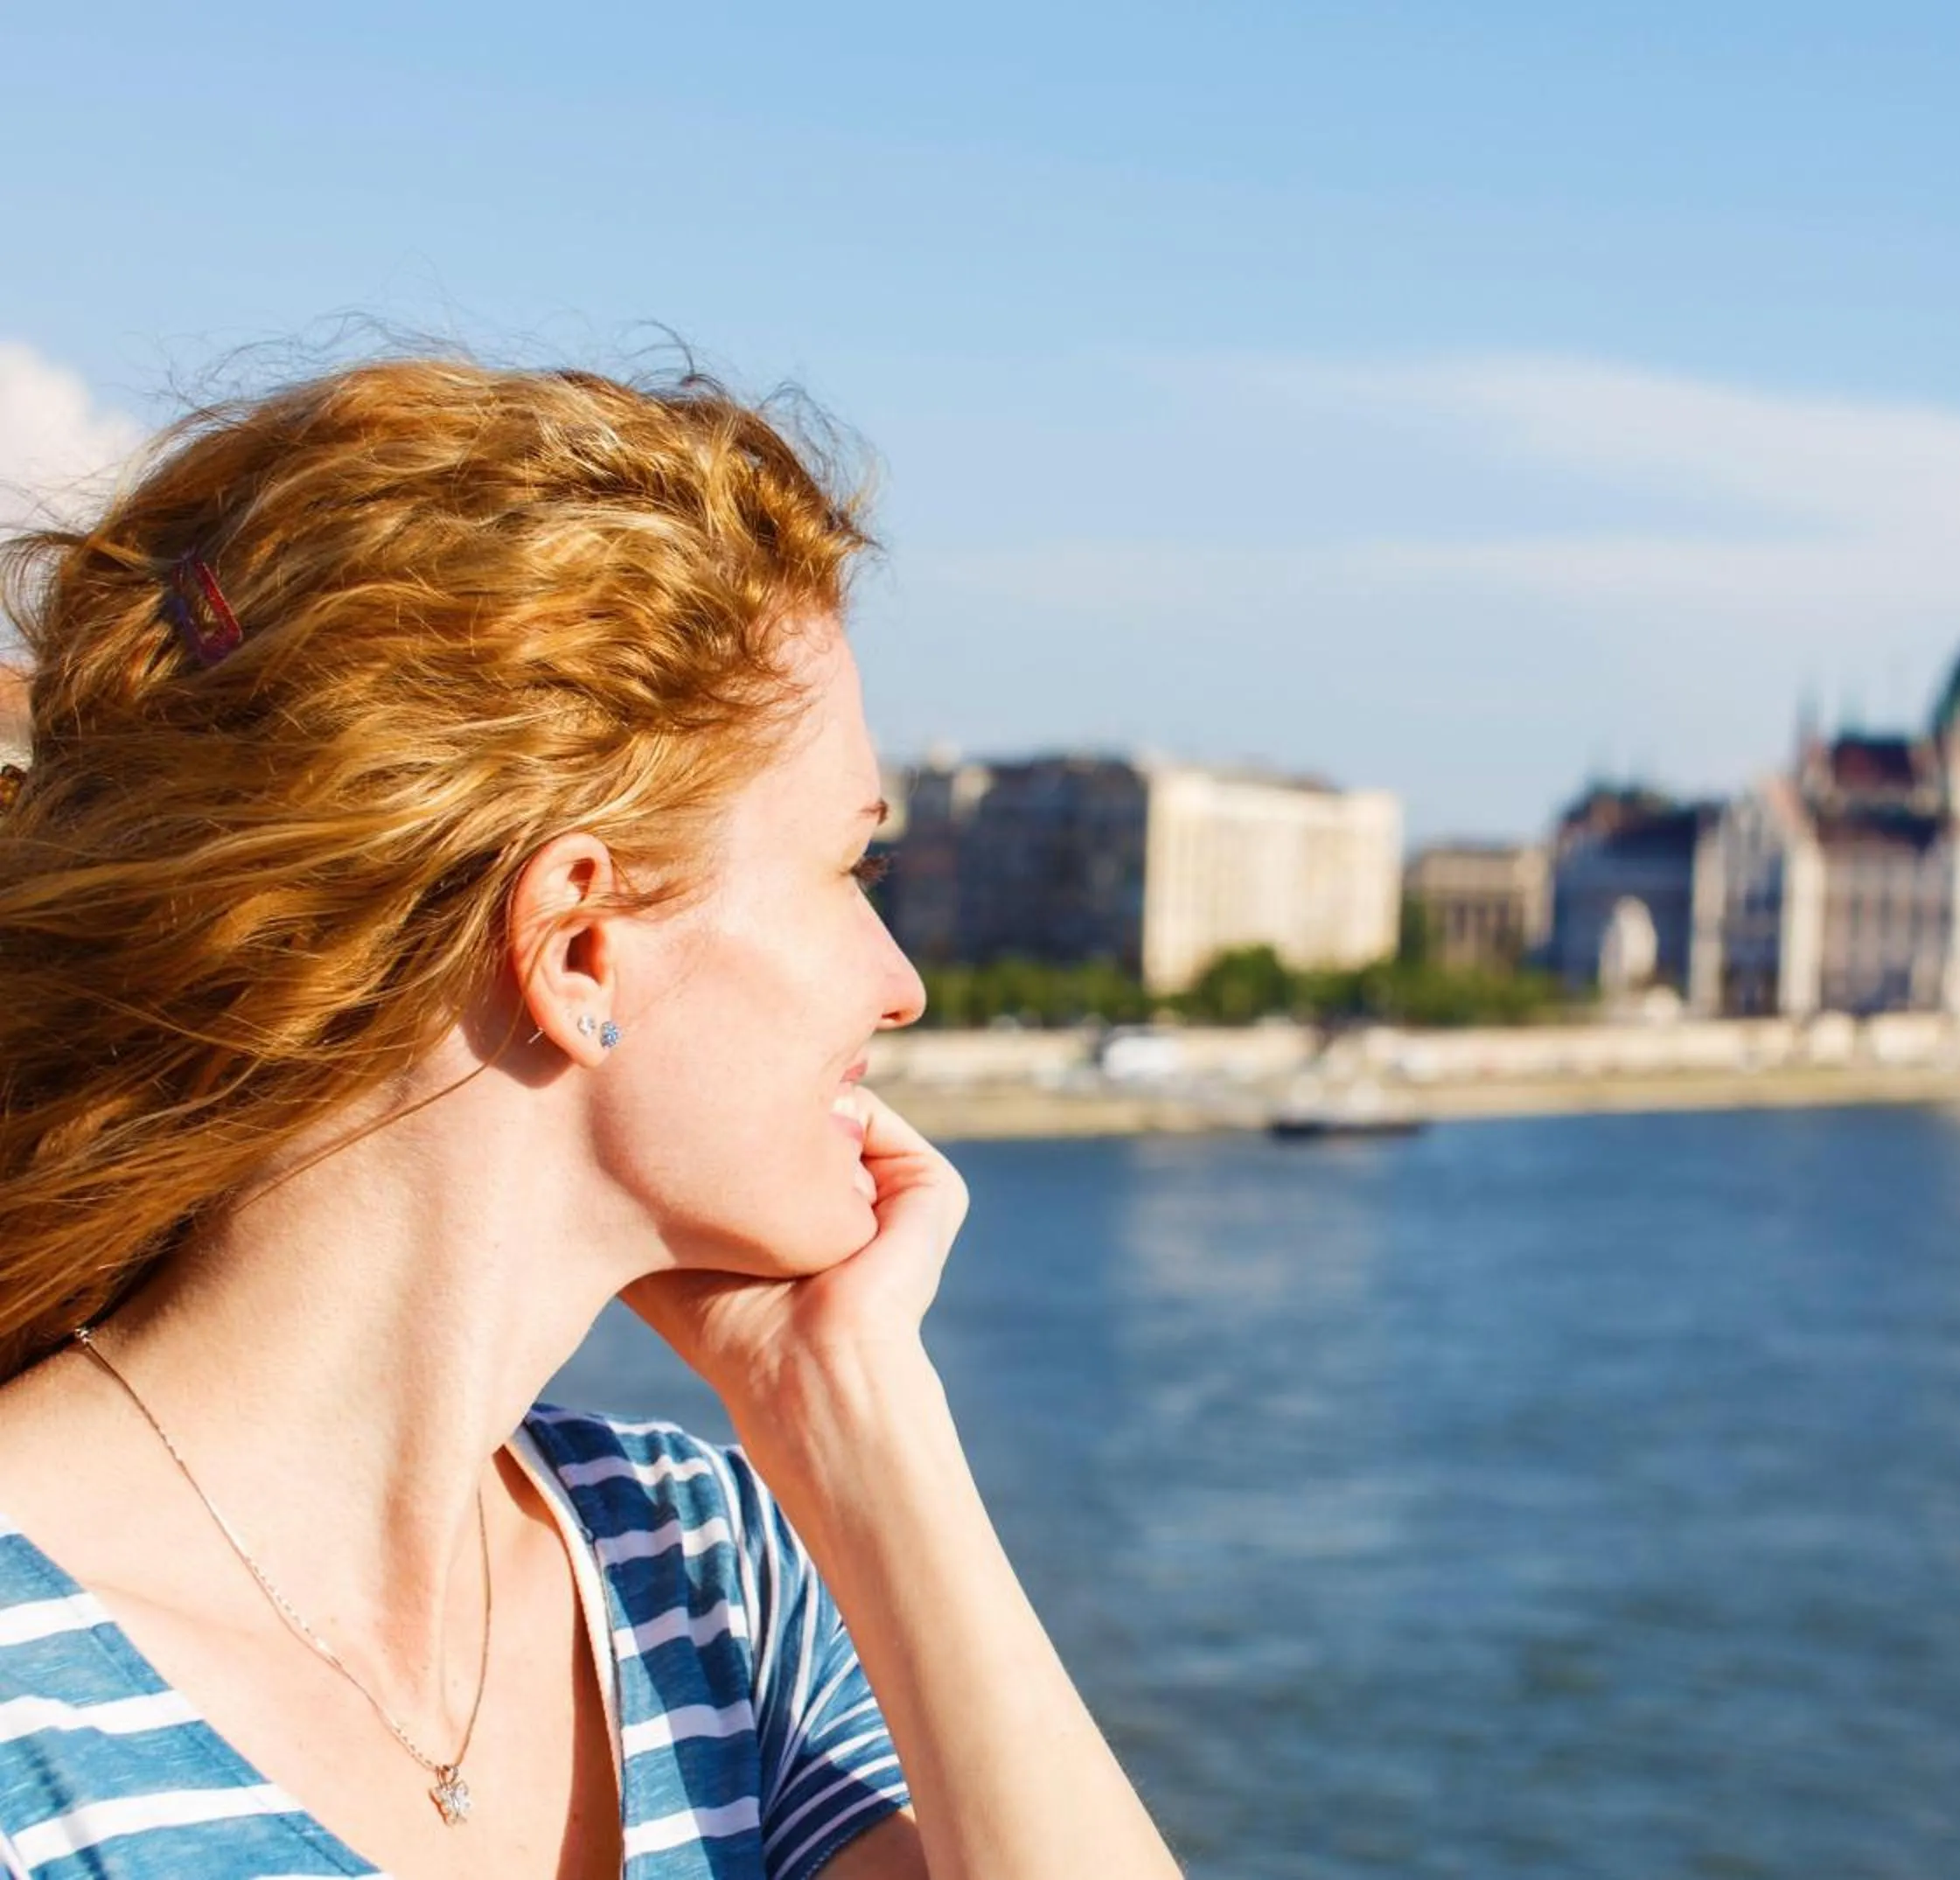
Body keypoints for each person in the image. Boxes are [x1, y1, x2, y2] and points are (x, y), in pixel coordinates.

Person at [0, 358, 1183, 1879]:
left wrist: (862, 1428)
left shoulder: (698, 1572)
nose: (902, 987)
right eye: (852, 873)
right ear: (577, 949)